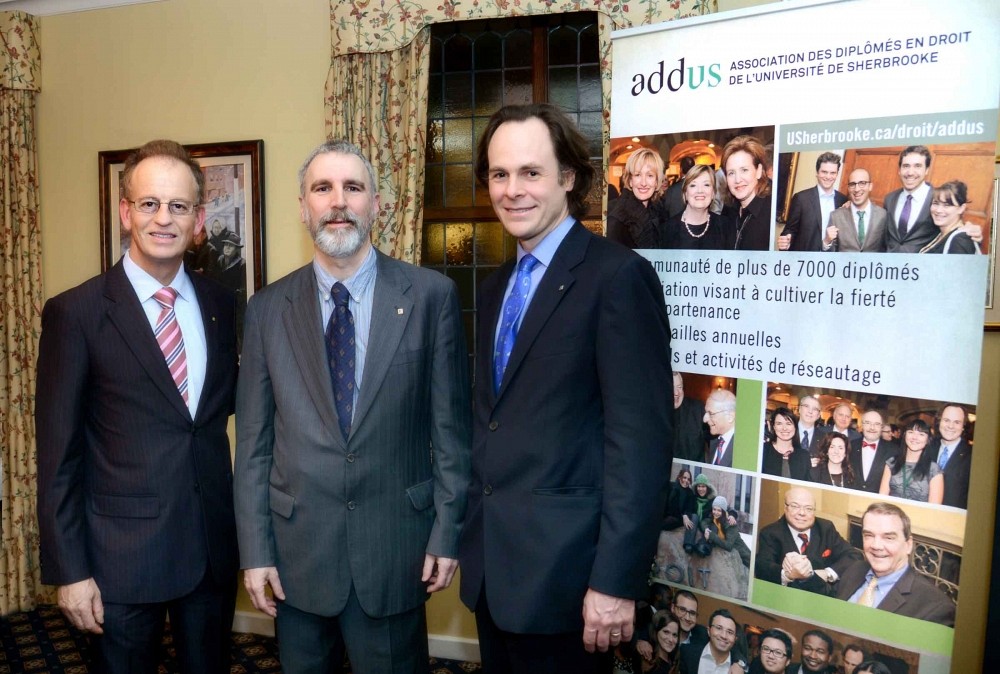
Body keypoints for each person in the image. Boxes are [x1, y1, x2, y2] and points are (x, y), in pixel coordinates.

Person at [233, 139, 472, 673]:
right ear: (304, 207)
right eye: (323, 188)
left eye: (353, 187)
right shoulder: (268, 309)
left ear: (377, 206)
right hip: (296, 557)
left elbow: (452, 433)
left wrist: (447, 532)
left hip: (396, 552)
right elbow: (252, 447)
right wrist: (255, 551)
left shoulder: (431, 297)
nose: (338, 201)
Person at [458, 103, 673, 673]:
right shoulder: (499, 282)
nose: (512, 190)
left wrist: (615, 582)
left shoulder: (618, 277)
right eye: (499, 175)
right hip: (495, 571)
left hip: (571, 584)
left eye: (531, 173)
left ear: (569, 179)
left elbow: (640, 445)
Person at [36, 139, 239, 672]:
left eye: (179, 206)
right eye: (150, 203)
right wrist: (69, 572)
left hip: (210, 555)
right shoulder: (75, 313)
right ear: (126, 211)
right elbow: (57, 457)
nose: (163, 219)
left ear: (198, 219)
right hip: (118, 564)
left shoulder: (222, 305)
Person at [836, 502, 955, 626]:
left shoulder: (936, 607)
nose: (876, 546)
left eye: (888, 538)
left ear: (908, 545)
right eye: (869, 535)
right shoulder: (854, 570)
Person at [754, 486, 861, 595]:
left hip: (821, 596)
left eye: (808, 508)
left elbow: (854, 555)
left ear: (814, 511)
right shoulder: (769, 533)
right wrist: (787, 575)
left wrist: (827, 573)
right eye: (795, 506)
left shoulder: (825, 528)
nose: (802, 513)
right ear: (785, 508)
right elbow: (762, 568)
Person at [777, 152, 847, 251]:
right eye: (824, 172)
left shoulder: (843, 200)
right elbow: (789, 230)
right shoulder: (801, 199)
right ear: (817, 173)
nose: (828, 176)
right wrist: (786, 240)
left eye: (832, 173)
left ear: (837, 174)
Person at [658, 164, 736, 250]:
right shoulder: (666, 230)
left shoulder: (726, 227)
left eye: (706, 185)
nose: (700, 191)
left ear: (713, 193)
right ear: (685, 193)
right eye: (693, 185)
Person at [721, 135, 771, 251]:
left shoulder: (770, 213)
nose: (737, 180)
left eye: (744, 170)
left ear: (758, 171)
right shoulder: (728, 212)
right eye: (731, 173)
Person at [607, 147, 664, 249]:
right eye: (637, 175)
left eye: (650, 175)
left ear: (657, 182)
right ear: (630, 180)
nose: (643, 183)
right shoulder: (617, 219)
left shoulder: (659, 211)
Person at [879, 419, 943, 504]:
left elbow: (934, 509)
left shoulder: (934, 469)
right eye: (911, 432)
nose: (915, 437)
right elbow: (882, 499)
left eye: (921, 434)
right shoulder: (891, 463)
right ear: (905, 435)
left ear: (928, 440)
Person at [826, 168, 888, 252]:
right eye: (852, 184)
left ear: (870, 186)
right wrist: (826, 242)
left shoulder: (883, 215)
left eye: (862, 183)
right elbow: (830, 254)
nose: (857, 189)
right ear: (848, 188)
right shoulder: (836, 216)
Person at [920, 180, 980, 254]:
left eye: (947, 205)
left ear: (961, 208)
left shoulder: (960, 240)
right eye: (936, 203)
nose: (938, 210)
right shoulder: (939, 232)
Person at [679, 608, 746, 674]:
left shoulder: (739, 670)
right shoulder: (687, 653)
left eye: (730, 632)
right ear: (709, 631)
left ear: (735, 639)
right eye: (719, 628)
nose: (724, 636)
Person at [932, 403, 972, 508]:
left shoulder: (973, 457)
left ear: (963, 427)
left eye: (957, 422)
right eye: (946, 420)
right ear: (939, 422)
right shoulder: (927, 448)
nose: (950, 426)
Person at [849, 409, 895, 493]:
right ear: (862, 425)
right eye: (867, 423)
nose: (872, 428)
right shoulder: (850, 446)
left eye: (877, 424)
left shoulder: (893, 451)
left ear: (882, 427)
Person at [761, 407, 810, 481]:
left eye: (788, 424)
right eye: (779, 424)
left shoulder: (804, 456)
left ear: (795, 427)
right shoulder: (763, 451)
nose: (784, 428)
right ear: (773, 426)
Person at [702, 496, 750, 567]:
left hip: (746, 558)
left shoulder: (730, 524)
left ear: (724, 512)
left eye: (719, 510)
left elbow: (728, 546)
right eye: (714, 509)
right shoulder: (715, 520)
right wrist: (706, 529)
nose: (716, 512)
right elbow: (704, 522)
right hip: (736, 560)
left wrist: (711, 535)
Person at [673, 372, 708, 462]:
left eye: (679, 387)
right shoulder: (654, 415)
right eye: (672, 387)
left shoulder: (697, 410)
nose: (676, 393)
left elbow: (717, 439)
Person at [704, 389, 736, 466]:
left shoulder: (742, 447)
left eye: (711, 413)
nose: (705, 419)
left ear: (730, 417)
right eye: (706, 412)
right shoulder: (713, 442)